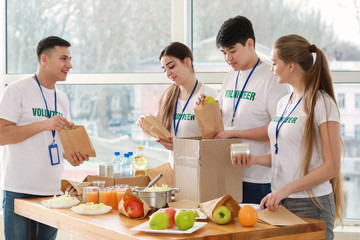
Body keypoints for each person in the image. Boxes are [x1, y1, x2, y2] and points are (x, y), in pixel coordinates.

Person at [234, 34, 345, 240]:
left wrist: (285, 190)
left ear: (291, 66)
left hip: (312, 204)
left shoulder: (322, 104)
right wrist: (256, 160)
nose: (271, 68)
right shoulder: (284, 102)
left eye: (275, 63)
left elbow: (332, 167)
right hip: (282, 203)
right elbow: (285, 155)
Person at [0, 36, 89, 240]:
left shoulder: (62, 99)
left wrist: (71, 155)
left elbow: (56, 141)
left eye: (70, 59)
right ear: (44, 59)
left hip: (52, 191)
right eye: (63, 58)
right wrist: (44, 124)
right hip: (19, 189)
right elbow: (2, 135)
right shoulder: (16, 90)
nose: (69, 65)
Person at [198, 16, 289, 204]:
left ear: (249, 43)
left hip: (258, 178)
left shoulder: (271, 78)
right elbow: (224, 116)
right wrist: (208, 108)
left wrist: (233, 134)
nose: (228, 58)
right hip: (228, 171)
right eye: (223, 52)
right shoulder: (231, 76)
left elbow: (279, 131)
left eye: (232, 51)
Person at [137, 42, 218, 167]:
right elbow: (156, 131)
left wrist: (181, 147)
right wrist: (146, 123)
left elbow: (217, 144)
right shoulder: (169, 95)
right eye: (164, 69)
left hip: (202, 171)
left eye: (171, 66)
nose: (168, 73)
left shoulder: (210, 96)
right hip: (175, 170)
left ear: (187, 62)